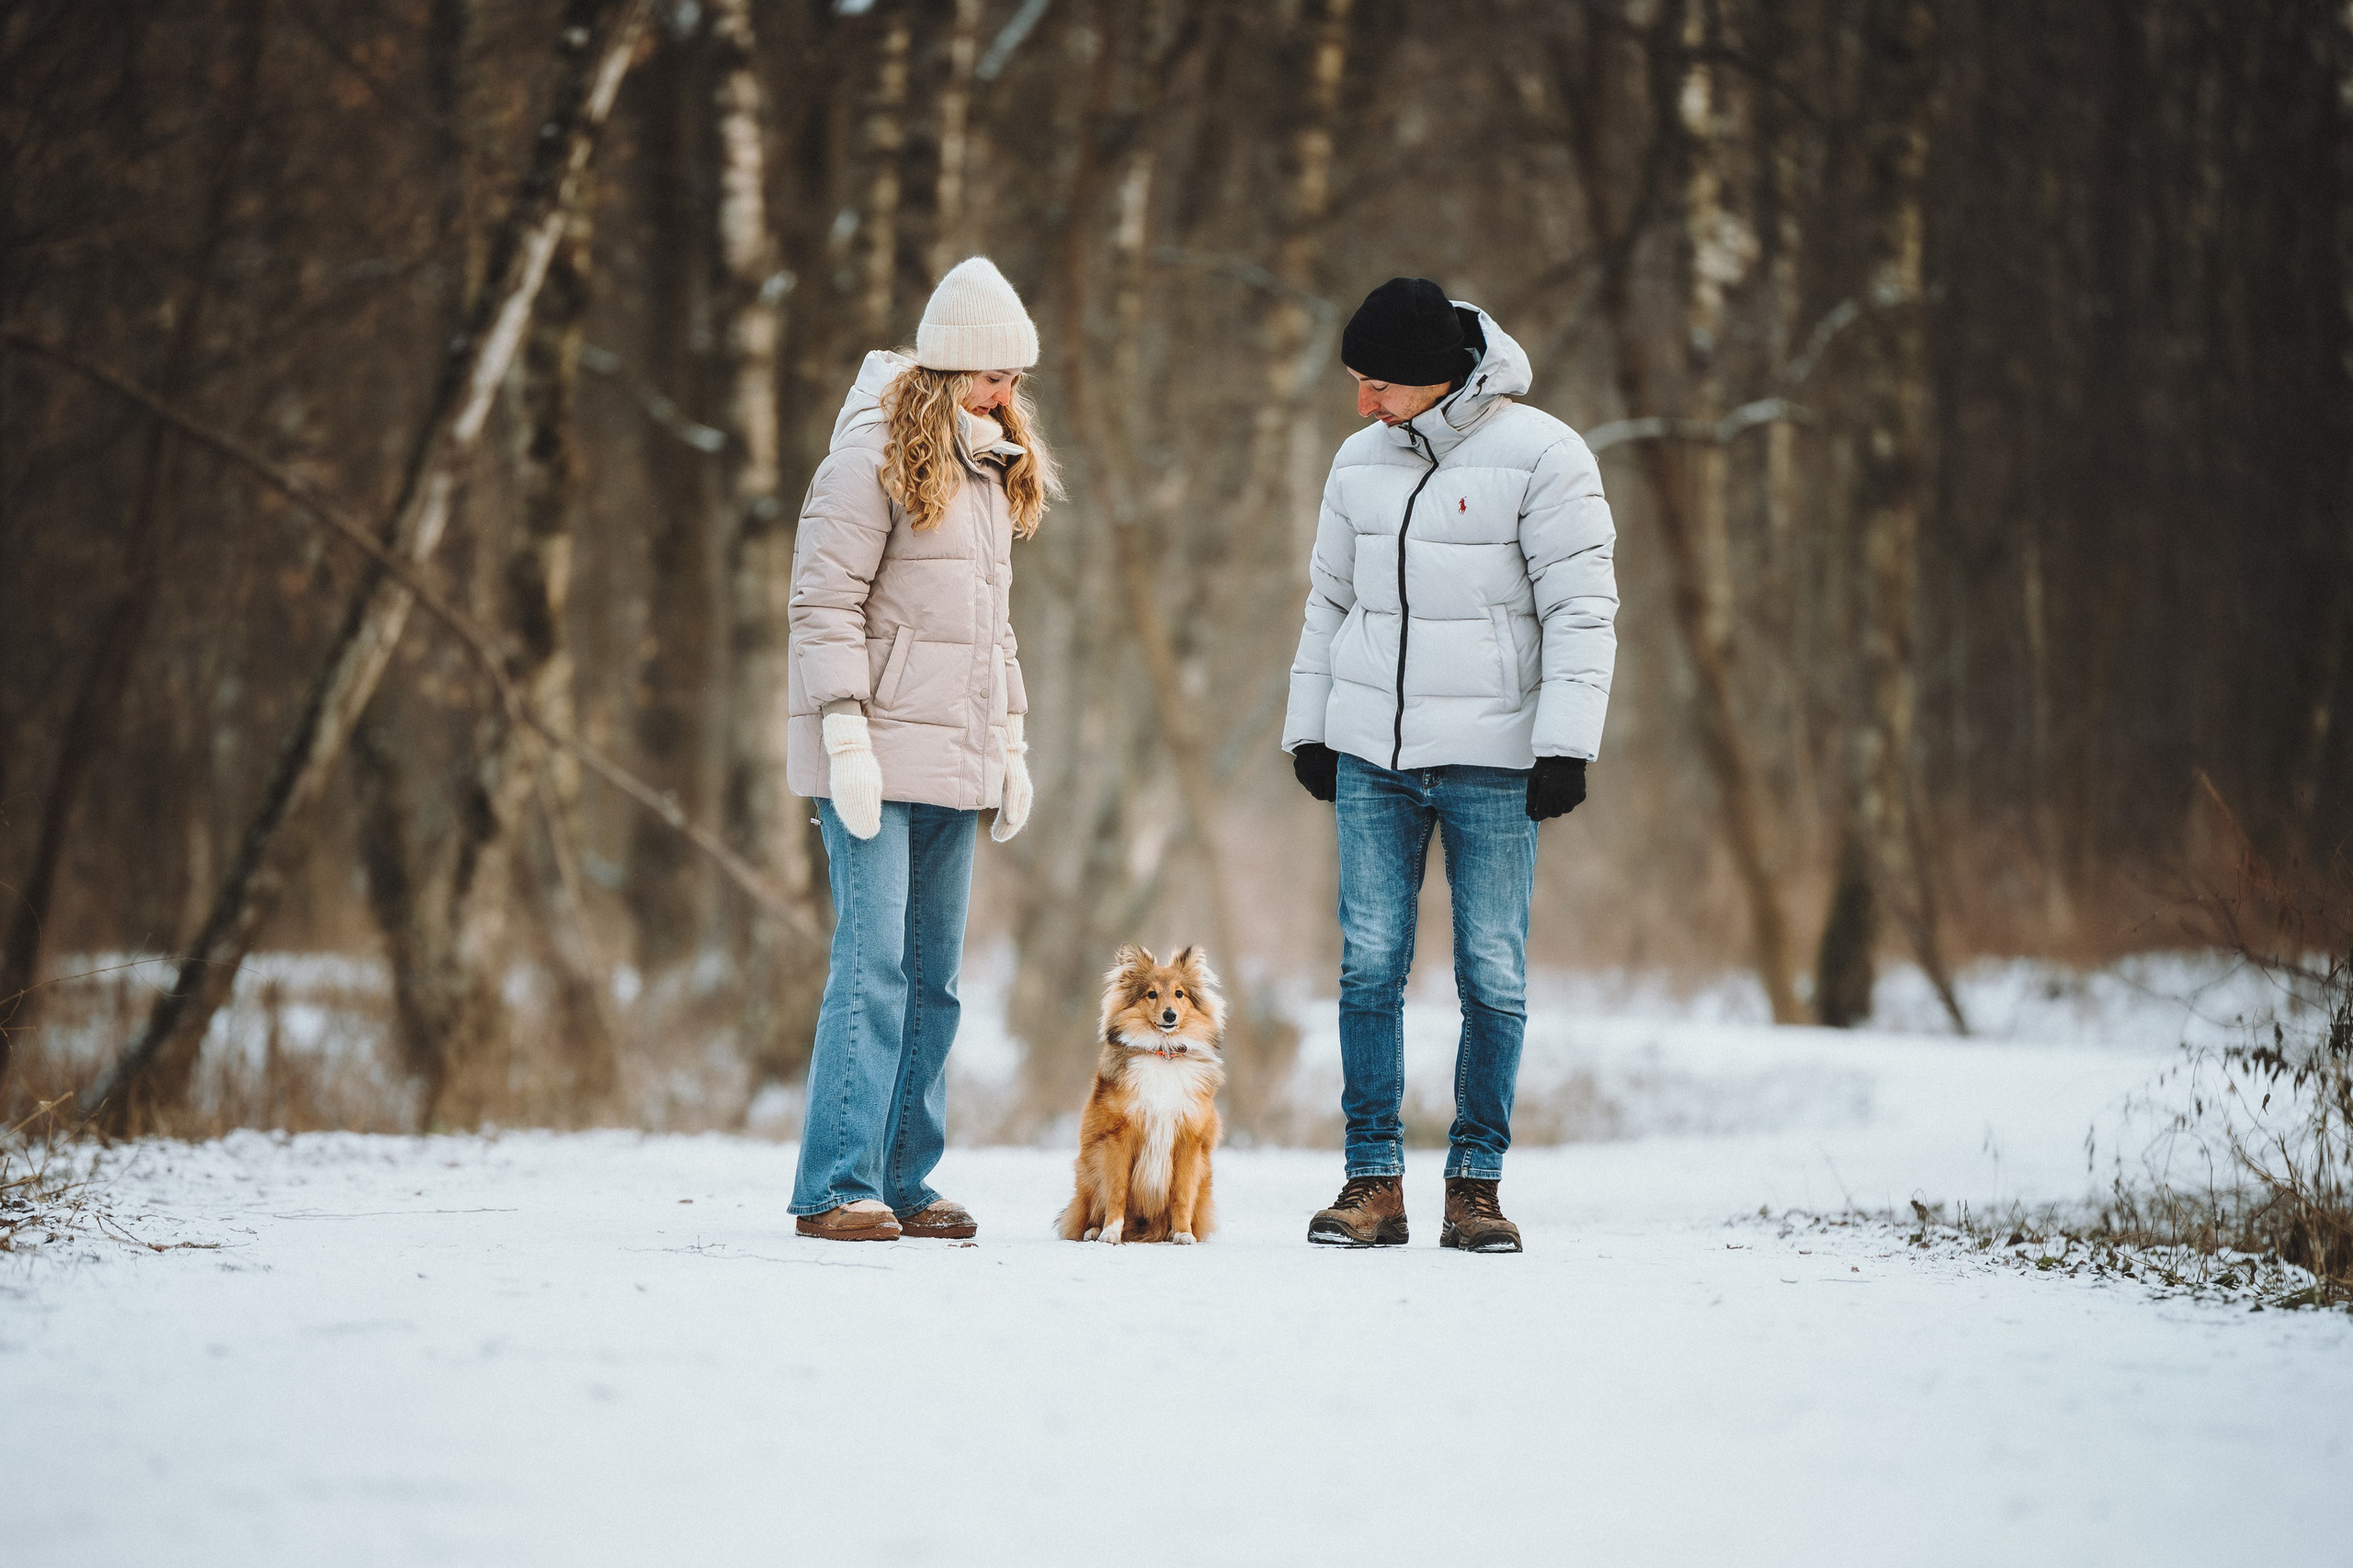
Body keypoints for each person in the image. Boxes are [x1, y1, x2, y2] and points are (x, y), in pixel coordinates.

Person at [1282, 276, 1620, 1254]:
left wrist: (1564, 743)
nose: (1363, 403)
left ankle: (1475, 1185)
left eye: (1378, 383)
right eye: (1356, 381)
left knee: (1493, 972)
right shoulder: (1358, 462)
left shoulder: (1544, 455)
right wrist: (1311, 727)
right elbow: (1328, 605)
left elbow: (1581, 608)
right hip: (1373, 760)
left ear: (1436, 377)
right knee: (1367, 967)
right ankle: (1371, 1181)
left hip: (1495, 763)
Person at [784, 256, 1059, 1242]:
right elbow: (823, 604)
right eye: (992, 375)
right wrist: (846, 731)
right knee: (872, 970)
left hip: (954, 755)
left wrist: (1012, 739)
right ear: (946, 369)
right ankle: (834, 1184)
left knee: (934, 978)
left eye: (1016, 378)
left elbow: (992, 631)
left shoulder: (988, 470)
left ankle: (905, 1179)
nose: (1006, 394)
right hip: (870, 753)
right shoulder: (865, 461)